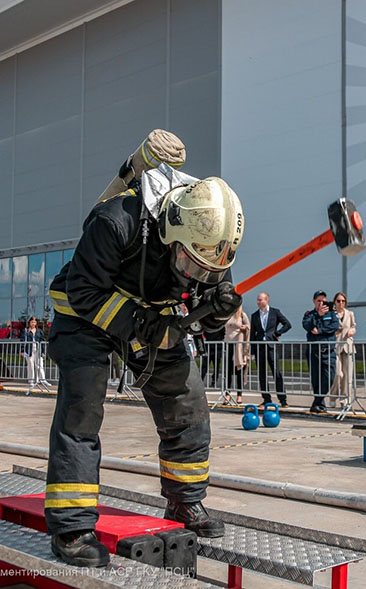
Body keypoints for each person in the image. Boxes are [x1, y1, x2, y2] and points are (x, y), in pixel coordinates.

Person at [45, 171, 244, 567]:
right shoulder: (116, 221)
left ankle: (184, 503)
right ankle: (71, 529)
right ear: (172, 231)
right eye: (193, 264)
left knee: (186, 400)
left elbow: (203, 309)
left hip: (152, 320)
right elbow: (83, 290)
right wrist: (141, 324)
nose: (197, 275)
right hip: (88, 314)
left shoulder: (209, 244)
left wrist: (215, 313)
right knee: (82, 409)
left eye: (209, 270)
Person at [250, 292, 291, 407]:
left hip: (271, 346)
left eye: (260, 299)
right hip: (260, 347)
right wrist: (252, 350)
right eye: (257, 300)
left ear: (267, 300)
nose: (258, 302)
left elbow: (287, 324)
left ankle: (283, 399)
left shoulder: (275, 312)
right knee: (262, 374)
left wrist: (277, 333)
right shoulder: (254, 315)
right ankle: (266, 398)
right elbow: (252, 334)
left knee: (276, 372)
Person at [303, 290, 339, 413]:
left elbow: (334, 327)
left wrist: (320, 330)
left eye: (323, 300)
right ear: (314, 301)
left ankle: (316, 402)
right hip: (314, 350)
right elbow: (306, 325)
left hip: (328, 350)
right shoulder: (310, 314)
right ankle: (320, 405)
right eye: (319, 301)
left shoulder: (332, 313)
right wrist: (318, 315)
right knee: (316, 379)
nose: (321, 303)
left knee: (330, 377)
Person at [328, 292, 356, 409]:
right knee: (338, 374)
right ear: (335, 302)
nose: (341, 303)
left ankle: (345, 398)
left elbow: (354, 326)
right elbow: (327, 327)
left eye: (343, 301)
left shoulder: (350, 314)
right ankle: (333, 397)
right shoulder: (331, 314)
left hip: (347, 345)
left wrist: (351, 331)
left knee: (347, 374)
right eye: (338, 301)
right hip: (336, 346)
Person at [223, 304, 250, 405]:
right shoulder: (227, 315)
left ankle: (239, 394)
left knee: (239, 369)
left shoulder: (242, 315)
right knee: (228, 370)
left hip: (239, 344)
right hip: (228, 342)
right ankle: (227, 393)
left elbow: (248, 327)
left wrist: (245, 328)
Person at [22, 316, 49, 386]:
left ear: (36, 323)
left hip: (38, 349)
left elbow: (42, 341)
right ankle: (31, 380)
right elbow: (23, 341)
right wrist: (22, 351)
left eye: (34, 322)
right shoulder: (26, 330)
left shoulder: (39, 331)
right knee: (30, 365)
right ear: (29, 323)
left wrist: (43, 352)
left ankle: (43, 380)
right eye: (32, 322)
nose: (33, 323)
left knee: (40, 365)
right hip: (29, 349)